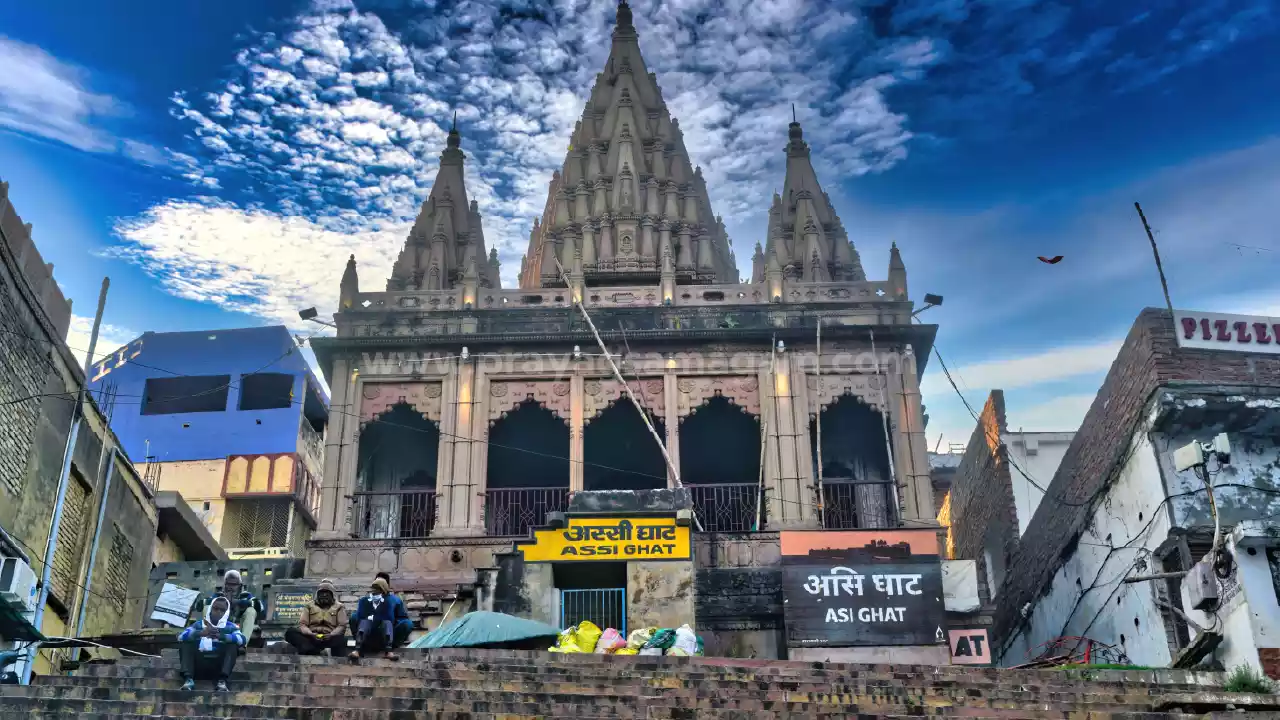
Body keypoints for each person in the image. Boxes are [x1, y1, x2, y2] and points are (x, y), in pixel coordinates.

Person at [177, 595, 246, 691]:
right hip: (198, 665)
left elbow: (242, 639)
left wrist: (222, 636)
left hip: (218, 667)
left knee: (233, 645)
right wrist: (199, 633)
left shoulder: (231, 627)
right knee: (186, 642)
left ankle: (222, 681)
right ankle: (188, 680)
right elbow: (181, 636)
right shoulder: (199, 624)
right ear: (210, 608)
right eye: (216, 608)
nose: (218, 612)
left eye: (222, 610)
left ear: (226, 612)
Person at [192, 570, 263, 651]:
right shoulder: (219, 596)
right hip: (221, 628)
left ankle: (242, 645)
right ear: (225, 585)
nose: (231, 587)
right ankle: (209, 638)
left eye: (234, 584)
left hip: (240, 629)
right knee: (207, 607)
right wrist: (221, 602)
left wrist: (238, 602)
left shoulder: (246, 595)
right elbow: (199, 606)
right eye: (228, 584)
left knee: (251, 611)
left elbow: (260, 606)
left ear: (240, 585)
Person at [284, 579, 348, 656]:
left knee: (342, 639)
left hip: (329, 637)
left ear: (332, 594)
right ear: (317, 594)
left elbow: (342, 625)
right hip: (312, 637)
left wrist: (331, 634)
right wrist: (311, 634)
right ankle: (315, 651)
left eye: (327, 593)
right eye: (322, 593)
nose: (324, 595)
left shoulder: (339, 607)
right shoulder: (309, 605)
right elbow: (303, 624)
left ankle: (314, 652)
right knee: (290, 632)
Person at [348, 578, 400, 662]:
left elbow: (390, 618)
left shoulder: (387, 603)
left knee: (387, 623)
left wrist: (373, 618)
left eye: (378, 590)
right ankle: (357, 650)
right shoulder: (364, 601)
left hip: (380, 634)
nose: (375, 591)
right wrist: (375, 617)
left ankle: (388, 651)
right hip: (366, 633)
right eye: (374, 589)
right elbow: (360, 616)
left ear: (383, 592)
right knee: (365, 622)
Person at [375, 571, 413, 648]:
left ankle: (392, 646)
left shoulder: (395, 600)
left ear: (387, 585)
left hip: (390, 632)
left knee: (407, 623)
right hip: (373, 632)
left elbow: (402, 618)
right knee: (354, 617)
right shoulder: (367, 599)